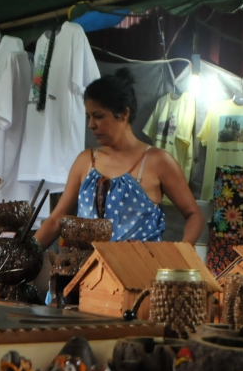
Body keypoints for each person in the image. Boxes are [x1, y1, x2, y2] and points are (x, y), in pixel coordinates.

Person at [35, 69, 204, 248]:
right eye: (89, 117)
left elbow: (194, 215)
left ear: (124, 113)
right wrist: (27, 249)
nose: (91, 125)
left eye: (98, 116)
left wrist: (180, 252)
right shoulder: (85, 161)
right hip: (87, 265)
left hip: (141, 264)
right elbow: (56, 221)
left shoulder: (157, 161)